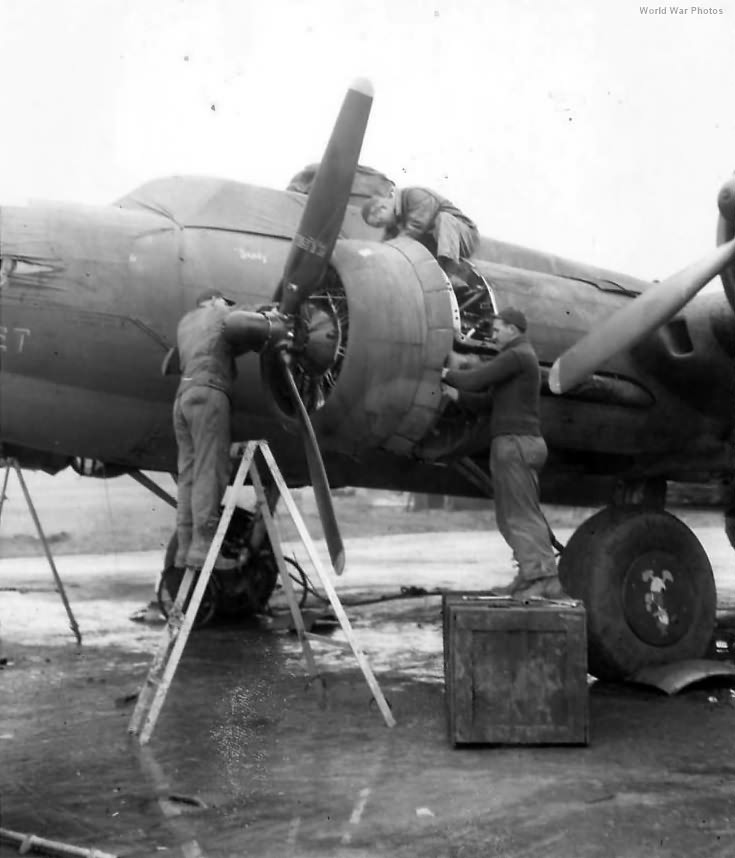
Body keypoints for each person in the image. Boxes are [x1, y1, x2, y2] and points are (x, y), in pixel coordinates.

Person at [441, 307, 566, 600]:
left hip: (517, 444)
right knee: (509, 516)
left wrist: (444, 372)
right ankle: (529, 575)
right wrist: (455, 395)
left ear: (513, 329)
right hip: (513, 443)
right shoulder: (515, 359)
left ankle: (544, 579)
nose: (493, 333)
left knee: (520, 515)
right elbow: (487, 401)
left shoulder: (517, 355)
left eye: (498, 328)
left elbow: (477, 379)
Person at [172, 288, 240, 572]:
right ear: (213, 301)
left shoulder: (186, 324)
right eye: (225, 301)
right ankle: (203, 546)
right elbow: (251, 316)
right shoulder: (220, 314)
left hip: (182, 400)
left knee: (188, 473)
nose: (226, 306)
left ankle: (185, 548)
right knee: (209, 470)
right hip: (209, 393)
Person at [361, 187, 478, 285]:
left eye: (380, 222)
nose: (383, 226)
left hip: (465, 236)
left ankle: (451, 273)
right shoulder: (395, 223)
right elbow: (387, 248)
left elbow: (417, 225)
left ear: (383, 208)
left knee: (443, 219)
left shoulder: (415, 195)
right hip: (439, 245)